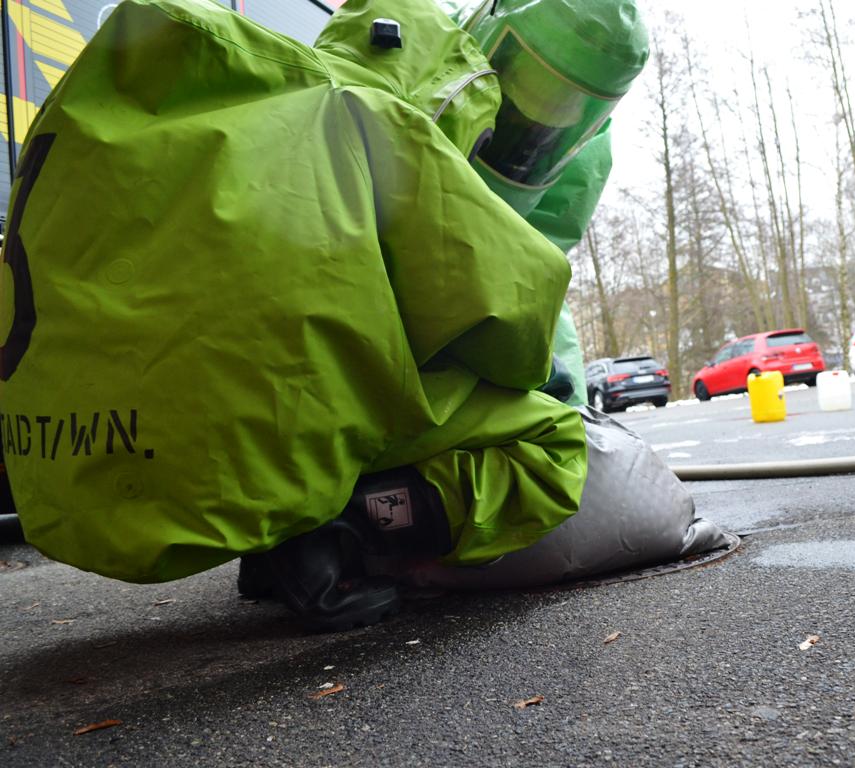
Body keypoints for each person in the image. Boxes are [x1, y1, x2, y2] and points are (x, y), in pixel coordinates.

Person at [0, 0, 726, 632]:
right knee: (548, 456)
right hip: (236, 443)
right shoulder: (388, 128)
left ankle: (277, 527)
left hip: (68, 482)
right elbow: (513, 326)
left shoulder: (253, 105)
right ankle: (346, 534)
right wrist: (538, 378)